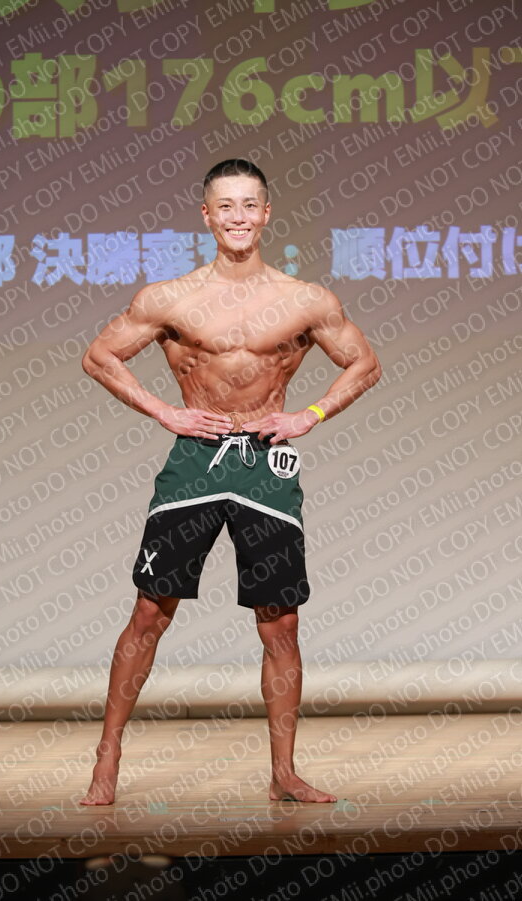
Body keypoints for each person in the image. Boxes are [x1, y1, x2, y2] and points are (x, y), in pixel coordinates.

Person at [79, 158, 381, 805]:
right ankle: (107, 758)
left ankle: (284, 772)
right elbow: (99, 356)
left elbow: (364, 363)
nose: (238, 217)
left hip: (265, 465)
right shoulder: (169, 297)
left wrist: (309, 414)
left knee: (280, 623)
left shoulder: (305, 300)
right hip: (195, 457)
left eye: (249, 205)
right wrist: (165, 411)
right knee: (149, 612)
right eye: (226, 206)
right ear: (207, 216)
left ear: (266, 214)